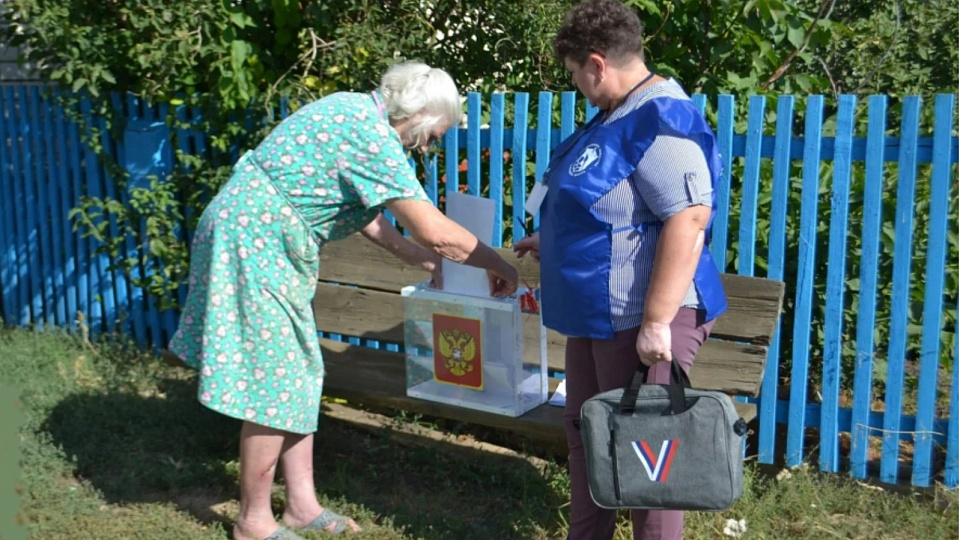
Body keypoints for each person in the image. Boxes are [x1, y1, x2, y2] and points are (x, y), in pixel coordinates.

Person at [167, 61, 519, 540]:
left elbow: (365, 216)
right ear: (418, 116)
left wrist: (423, 262)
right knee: (273, 382)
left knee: (298, 371)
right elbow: (436, 232)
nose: (430, 145)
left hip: (252, 232)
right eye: (434, 134)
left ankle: (302, 507)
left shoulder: (349, 109)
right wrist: (499, 265)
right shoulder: (372, 137)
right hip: (256, 242)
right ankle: (253, 521)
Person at [513, 1, 728, 539]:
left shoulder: (661, 117)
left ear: (596, 63)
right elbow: (615, 204)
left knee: (644, 451)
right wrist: (557, 237)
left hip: (639, 318)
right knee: (589, 434)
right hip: (596, 313)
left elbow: (689, 215)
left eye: (575, 75)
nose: (578, 86)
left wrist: (657, 321)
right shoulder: (618, 112)